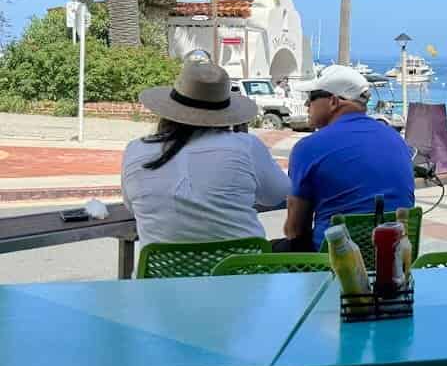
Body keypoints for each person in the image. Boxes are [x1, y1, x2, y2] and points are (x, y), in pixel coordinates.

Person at [122, 63, 290, 247]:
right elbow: (277, 194)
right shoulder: (245, 147)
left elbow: (132, 206)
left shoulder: (135, 150)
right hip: (241, 273)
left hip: (162, 275)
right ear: (227, 114)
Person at [283, 65, 414, 252]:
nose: (306, 105)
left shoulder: (309, 147)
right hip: (393, 258)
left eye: (311, 98)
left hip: (333, 262)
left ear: (334, 101)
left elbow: (295, 229)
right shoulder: (395, 139)